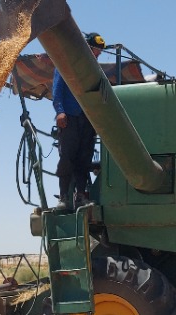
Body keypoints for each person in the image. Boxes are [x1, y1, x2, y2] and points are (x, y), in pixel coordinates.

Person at [52, 31, 106, 211]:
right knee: (67, 157)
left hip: (87, 119)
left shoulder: (95, 71)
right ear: (85, 48)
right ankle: (63, 197)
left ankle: (80, 195)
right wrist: (60, 112)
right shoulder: (66, 65)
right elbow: (57, 91)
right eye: (95, 49)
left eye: (99, 51)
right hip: (69, 118)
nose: (97, 54)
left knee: (84, 158)